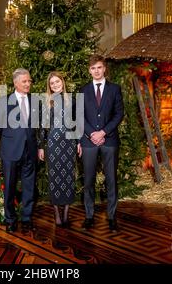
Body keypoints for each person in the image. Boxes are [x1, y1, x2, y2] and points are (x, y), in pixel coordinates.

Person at [80, 54, 124, 232]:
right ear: (89, 71)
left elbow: (119, 114)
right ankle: (89, 216)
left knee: (111, 179)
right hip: (89, 142)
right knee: (88, 179)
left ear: (104, 68)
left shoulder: (115, 89)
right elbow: (80, 117)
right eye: (93, 68)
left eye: (99, 67)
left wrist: (104, 132)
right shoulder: (83, 90)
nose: (96, 71)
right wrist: (92, 134)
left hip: (109, 140)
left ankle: (112, 217)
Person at [0, 68, 38, 233]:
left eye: (29, 81)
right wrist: (11, 140)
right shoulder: (4, 101)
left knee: (29, 186)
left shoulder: (35, 101)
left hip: (30, 150)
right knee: (10, 186)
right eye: (24, 81)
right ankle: (10, 219)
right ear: (15, 83)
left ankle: (27, 218)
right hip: (11, 150)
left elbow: (37, 126)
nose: (28, 84)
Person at [38, 71, 81, 228]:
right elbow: (43, 126)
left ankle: (66, 212)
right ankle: (56, 212)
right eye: (52, 83)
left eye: (57, 81)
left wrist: (78, 142)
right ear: (49, 86)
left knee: (68, 177)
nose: (55, 85)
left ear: (62, 82)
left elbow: (76, 123)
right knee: (55, 178)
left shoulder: (72, 101)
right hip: (53, 145)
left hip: (69, 143)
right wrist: (41, 146)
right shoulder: (46, 102)